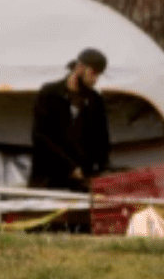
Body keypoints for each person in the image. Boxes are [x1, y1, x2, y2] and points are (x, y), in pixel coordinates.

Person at [30, 47, 112, 191]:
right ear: (79, 68)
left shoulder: (95, 100)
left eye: (98, 75)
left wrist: (103, 169)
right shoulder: (49, 93)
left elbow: (102, 140)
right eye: (93, 73)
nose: (95, 80)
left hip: (80, 182)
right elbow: (40, 136)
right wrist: (69, 166)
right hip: (48, 180)